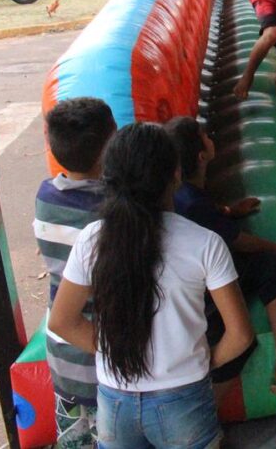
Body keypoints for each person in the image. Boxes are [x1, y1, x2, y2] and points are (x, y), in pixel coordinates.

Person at [49, 123, 255, 449]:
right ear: (175, 175)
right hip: (184, 399)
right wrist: (202, 361)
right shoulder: (205, 243)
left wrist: (112, 351)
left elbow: (62, 321)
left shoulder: (92, 239)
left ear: (109, 175)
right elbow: (241, 334)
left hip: (114, 401)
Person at [163, 116, 276, 402]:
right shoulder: (193, 203)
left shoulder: (184, 192)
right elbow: (240, 241)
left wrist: (229, 212)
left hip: (196, 276)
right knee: (274, 269)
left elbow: (207, 214)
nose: (211, 138)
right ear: (201, 155)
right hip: (203, 293)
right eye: (206, 136)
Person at [33, 98, 117, 448]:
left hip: (62, 356)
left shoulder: (46, 195)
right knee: (110, 437)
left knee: (73, 437)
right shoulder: (112, 209)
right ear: (108, 149)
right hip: (100, 350)